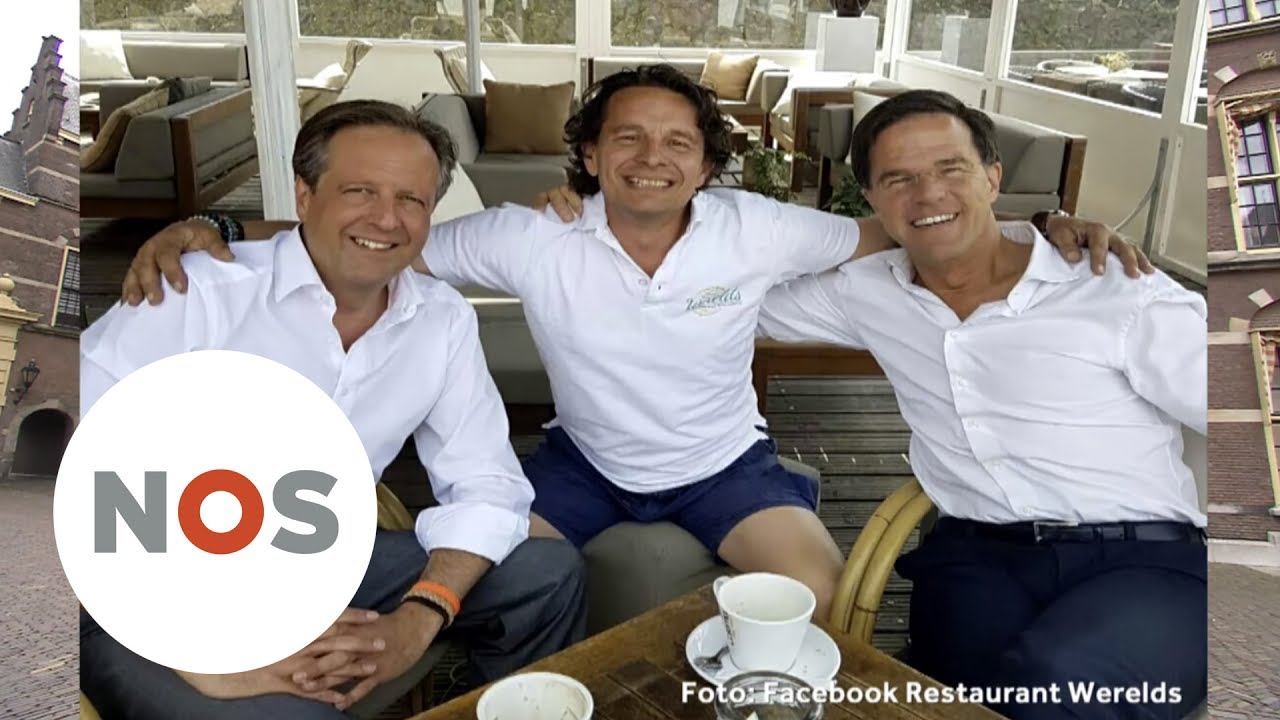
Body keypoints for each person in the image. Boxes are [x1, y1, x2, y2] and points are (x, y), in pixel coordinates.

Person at [119, 64, 1149, 624]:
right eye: (627, 137)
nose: (651, 157)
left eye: (676, 143)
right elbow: (384, 232)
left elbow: (904, 227)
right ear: (588, 152)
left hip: (725, 467)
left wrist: (1040, 231)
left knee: (827, 604)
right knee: (490, 585)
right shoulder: (533, 236)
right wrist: (213, 227)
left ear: (705, 163)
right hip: (581, 465)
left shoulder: (758, 228)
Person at [79, 100, 587, 720]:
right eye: (359, 191)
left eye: (411, 199)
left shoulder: (440, 319)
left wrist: (420, 616)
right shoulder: (195, 293)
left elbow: (487, 485)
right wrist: (213, 661)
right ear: (304, 194)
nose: (386, 218)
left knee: (545, 573)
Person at [757, 89, 1206, 719]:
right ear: (871, 199)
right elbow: (716, 294)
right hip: (976, 560)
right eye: (899, 179)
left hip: (1142, 560)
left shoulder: (1116, 288)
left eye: (951, 169)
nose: (928, 194)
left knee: (1054, 685)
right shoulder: (863, 292)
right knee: (938, 702)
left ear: (993, 178)